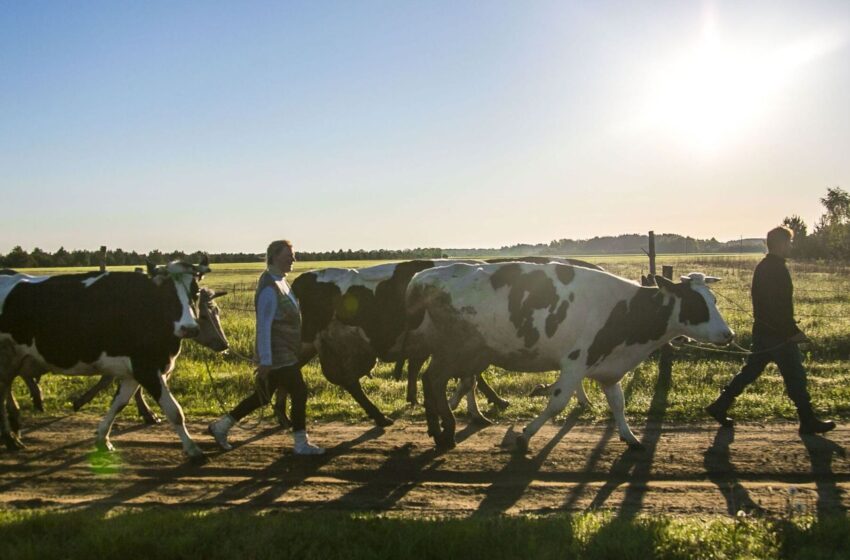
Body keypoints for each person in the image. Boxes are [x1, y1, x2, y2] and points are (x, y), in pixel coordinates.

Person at [706, 226, 836, 435]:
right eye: (789, 243)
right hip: (779, 335)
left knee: (750, 372)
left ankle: (720, 405)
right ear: (781, 243)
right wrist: (792, 331)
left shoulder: (764, 267)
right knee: (796, 377)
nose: (791, 246)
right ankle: (808, 420)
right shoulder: (777, 269)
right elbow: (779, 306)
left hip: (764, 331)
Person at [208, 240, 325, 455]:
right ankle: (301, 443)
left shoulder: (281, 281)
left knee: (261, 397)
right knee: (299, 391)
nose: (293, 259)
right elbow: (263, 325)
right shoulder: (269, 287)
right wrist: (266, 359)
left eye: (293, 255)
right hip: (278, 356)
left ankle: (221, 426)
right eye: (289, 255)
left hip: (285, 353)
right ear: (274, 256)